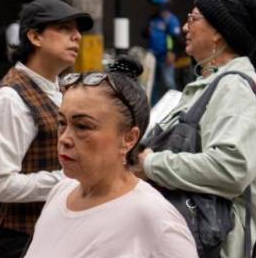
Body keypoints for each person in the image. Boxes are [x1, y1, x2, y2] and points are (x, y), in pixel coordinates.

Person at [136, 0, 256, 258]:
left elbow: (230, 168)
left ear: (218, 33)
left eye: (193, 19)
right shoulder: (211, 83)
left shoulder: (234, 88)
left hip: (224, 245)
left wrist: (151, 164)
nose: (185, 28)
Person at [24, 57, 197, 258]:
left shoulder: (153, 217)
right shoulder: (61, 191)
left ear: (129, 138)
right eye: (62, 122)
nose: (65, 138)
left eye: (82, 126)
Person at [0, 0, 90, 258]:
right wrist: (67, 179)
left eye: (77, 30)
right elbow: (0, 183)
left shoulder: (58, 86)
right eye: (64, 29)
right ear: (35, 37)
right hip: (20, 239)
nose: (76, 37)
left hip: (54, 229)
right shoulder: (11, 99)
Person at [146, 0, 182, 105]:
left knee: (169, 83)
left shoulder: (171, 19)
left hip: (165, 55)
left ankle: (174, 106)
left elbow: (174, 38)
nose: (153, 7)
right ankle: (153, 106)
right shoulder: (154, 19)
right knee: (152, 83)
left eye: (155, 5)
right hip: (153, 55)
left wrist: (171, 52)